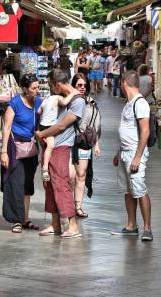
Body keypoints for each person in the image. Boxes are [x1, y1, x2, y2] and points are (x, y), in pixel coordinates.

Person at [35, 69, 86, 238]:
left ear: (57, 84)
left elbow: (62, 126)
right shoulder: (60, 98)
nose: (51, 88)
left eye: (51, 85)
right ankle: (55, 224)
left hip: (61, 146)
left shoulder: (78, 101)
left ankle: (72, 226)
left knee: (61, 184)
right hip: (50, 145)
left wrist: (42, 134)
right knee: (49, 184)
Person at [113, 70, 153, 241]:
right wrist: (118, 152)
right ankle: (132, 225)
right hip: (124, 153)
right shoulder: (128, 103)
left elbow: (145, 132)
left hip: (135, 154)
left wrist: (137, 157)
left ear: (124, 83)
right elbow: (126, 131)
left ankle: (147, 228)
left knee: (139, 189)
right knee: (128, 191)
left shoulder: (140, 103)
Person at [0, 74, 42, 233]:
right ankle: (16, 220)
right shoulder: (15, 103)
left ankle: (25, 218)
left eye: (38, 87)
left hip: (31, 147)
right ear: (25, 89)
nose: (37, 90)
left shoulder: (39, 102)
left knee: (27, 185)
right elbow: (6, 128)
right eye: (33, 88)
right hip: (14, 148)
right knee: (16, 183)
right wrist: (4, 152)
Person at [70, 73, 101, 218]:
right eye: (79, 85)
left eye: (84, 85)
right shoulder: (68, 101)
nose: (82, 88)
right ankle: (68, 204)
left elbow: (95, 125)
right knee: (70, 176)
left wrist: (96, 145)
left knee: (81, 175)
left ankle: (78, 206)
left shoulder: (92, 103)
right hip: (68, 143)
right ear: (73, 85)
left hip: (83, 143)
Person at [38, 86, 77, 182]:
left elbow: (39, 111)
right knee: (50, 146)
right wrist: (72, 93)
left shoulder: (46, 99)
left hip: (42, 125)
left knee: (46, 146)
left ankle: (45, 165)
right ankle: (45, 168)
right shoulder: (57, 98)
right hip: (49, 126)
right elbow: (64, 102)